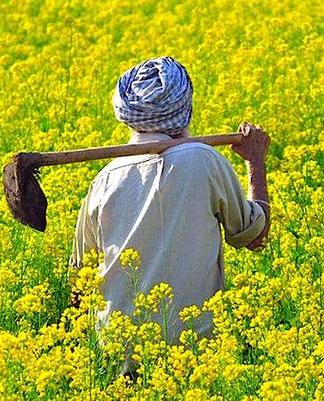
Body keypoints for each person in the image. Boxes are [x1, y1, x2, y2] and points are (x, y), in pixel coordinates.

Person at [70, 56, 270, 375]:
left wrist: (81, 362)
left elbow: (79, 284)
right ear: (185, 109)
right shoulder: (203, 160)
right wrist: (256, 162)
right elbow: (255, 236)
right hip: (195, 353)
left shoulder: (104, 180)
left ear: (128, 118)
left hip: (121, 357)